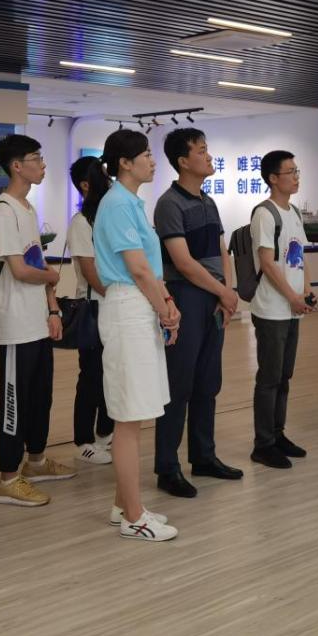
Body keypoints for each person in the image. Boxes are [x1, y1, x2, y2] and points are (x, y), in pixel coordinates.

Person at [88, 129, 179, 541]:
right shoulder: (117, 204)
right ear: (125, 163)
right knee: (127, 418)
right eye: (146, 155)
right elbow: (138, 269)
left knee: (136, 412)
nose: (152, 161)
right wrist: (164, 309)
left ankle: (123, 504)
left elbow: (149, 269)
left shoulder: (130, 203)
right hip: (128, 308)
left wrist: (165, 303)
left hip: (140, 306)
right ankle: (133, 517)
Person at [0, 133, 75, 507]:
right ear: (16, 166)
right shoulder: (4, 211)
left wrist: (52, 309)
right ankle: (7, 478)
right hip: (15, 323)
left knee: (40, 397)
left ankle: (35, 461)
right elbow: (21, 269)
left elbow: (35, 264)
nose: (43, 164)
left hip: (37, 320)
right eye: (36, 158)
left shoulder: (27, 209)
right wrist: (51, 276)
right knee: (14, 402)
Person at [153, 128, 242, 498]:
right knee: (179, 384)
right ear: (183, 161)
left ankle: (204, 456)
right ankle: (167, 467)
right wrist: (222, 291)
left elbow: (221, 249)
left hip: (214, 297)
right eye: (202, 151)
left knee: (208, 381)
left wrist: (227, 291)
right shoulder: (169, 204)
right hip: (187, 296)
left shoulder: (208, 201)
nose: (209, 156)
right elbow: (184, 263)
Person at [249, 150, 314, 469]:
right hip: (272, 309)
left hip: (291, 307)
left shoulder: (295, 212)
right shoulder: (265, 213)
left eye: (297, 171)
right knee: (270, 377)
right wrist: (291, 296)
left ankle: (278, 434)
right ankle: (263, 444)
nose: (296, 177)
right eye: (290, 172)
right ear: (273, 178)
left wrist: (307, 289)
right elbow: (267, 262)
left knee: (284, 376)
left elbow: (298, 256)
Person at [66, 155, 113, 465]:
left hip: (114, 307)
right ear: (85, 185)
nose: (107, 180)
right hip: (95, 308)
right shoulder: (81, 222)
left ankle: (105, 432)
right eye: (101, 175)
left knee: (113, 374)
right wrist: (116, 294)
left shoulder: (106, 217)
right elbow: (89, 270)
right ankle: (83, 440)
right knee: (92, 376)